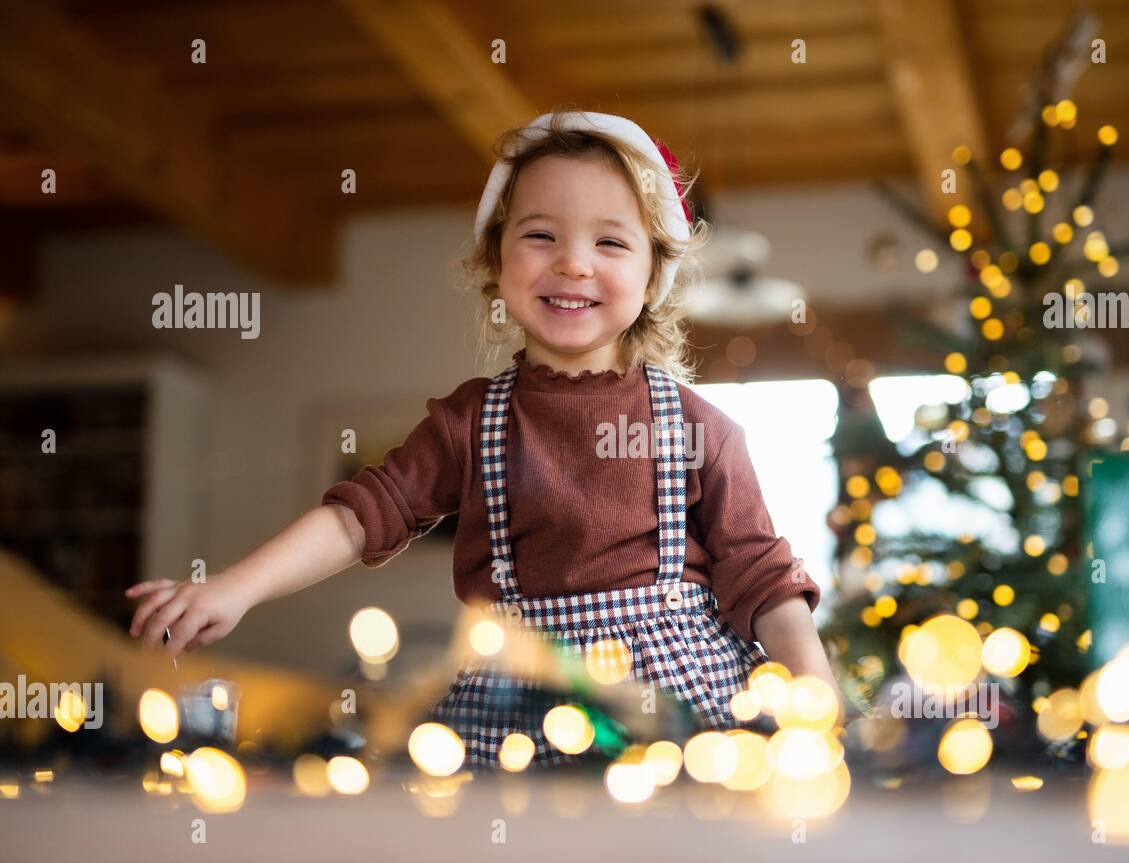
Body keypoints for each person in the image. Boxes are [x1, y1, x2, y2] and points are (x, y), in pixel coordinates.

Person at [126, 107, 843, 769]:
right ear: (497, 263)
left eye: (610, 241)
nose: (573, 262)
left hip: (676, 717)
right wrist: (235, 587)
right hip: (509, 707)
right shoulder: (469, 424)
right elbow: (359, 516)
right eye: (540, 235)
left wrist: (816, 704)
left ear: (655, 274)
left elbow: (764, 580)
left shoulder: (701, 429)